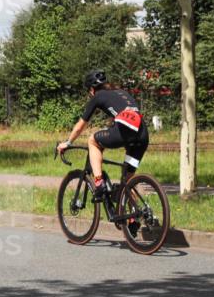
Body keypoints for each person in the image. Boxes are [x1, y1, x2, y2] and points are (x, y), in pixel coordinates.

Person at [56, 70, 149, 202]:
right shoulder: (122, 93)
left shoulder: (98, 96)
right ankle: (134, 217)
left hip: (125, 133)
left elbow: (80, 126)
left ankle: (99, 184)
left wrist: (68, 142)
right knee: (127, 181)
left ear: (92, 89)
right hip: (142, 136)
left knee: (93, 141)